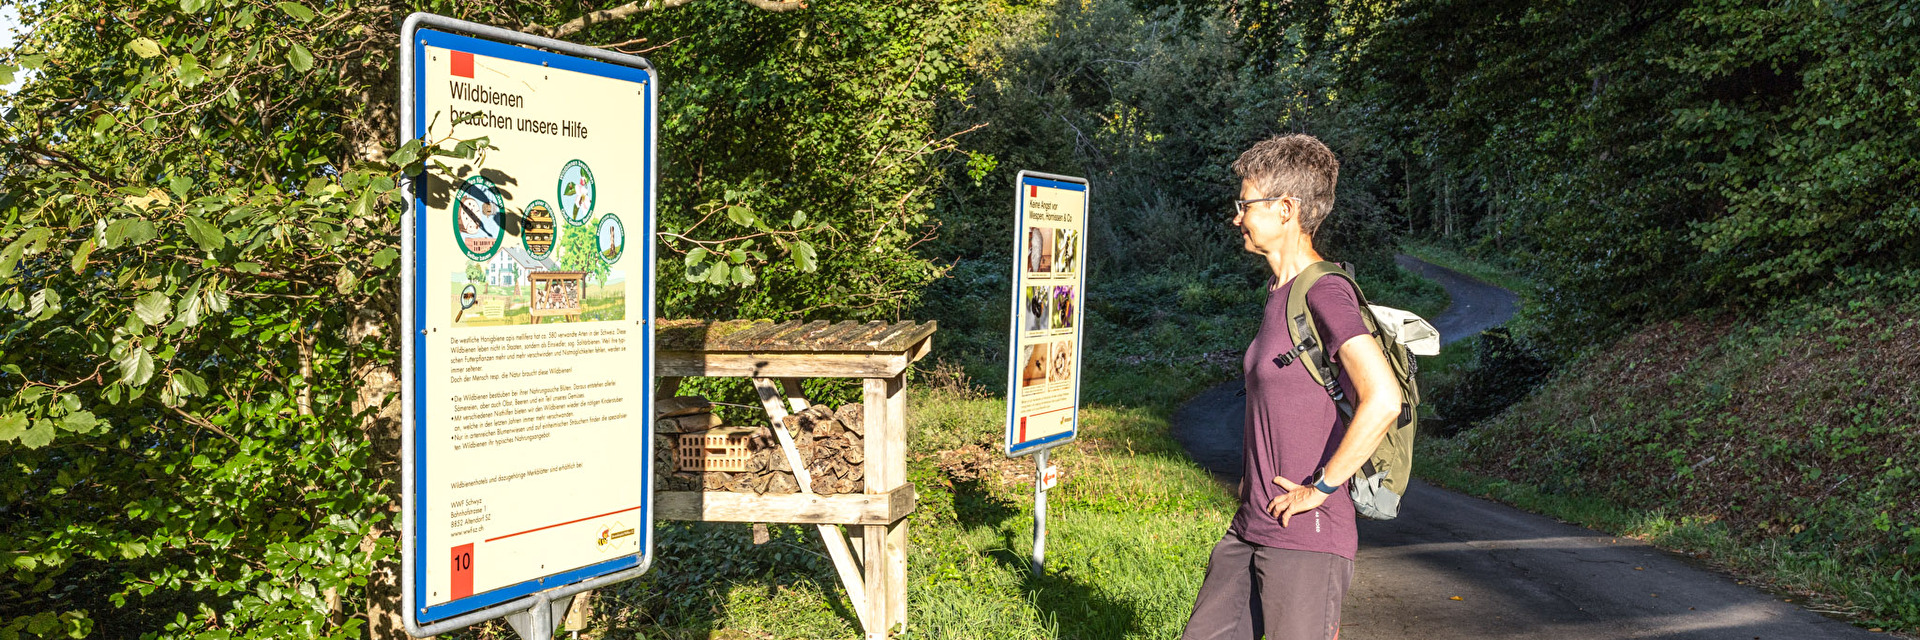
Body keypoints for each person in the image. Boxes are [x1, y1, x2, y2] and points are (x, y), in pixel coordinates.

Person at [1182, 134, 1404, 640]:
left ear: (1285, 209)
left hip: (1307, 537)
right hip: (1251, 526)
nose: (1237, 216)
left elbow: (1384, 397)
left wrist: (1320, 487)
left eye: (1245, 204)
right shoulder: (1278, 292)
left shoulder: (1325, 291)